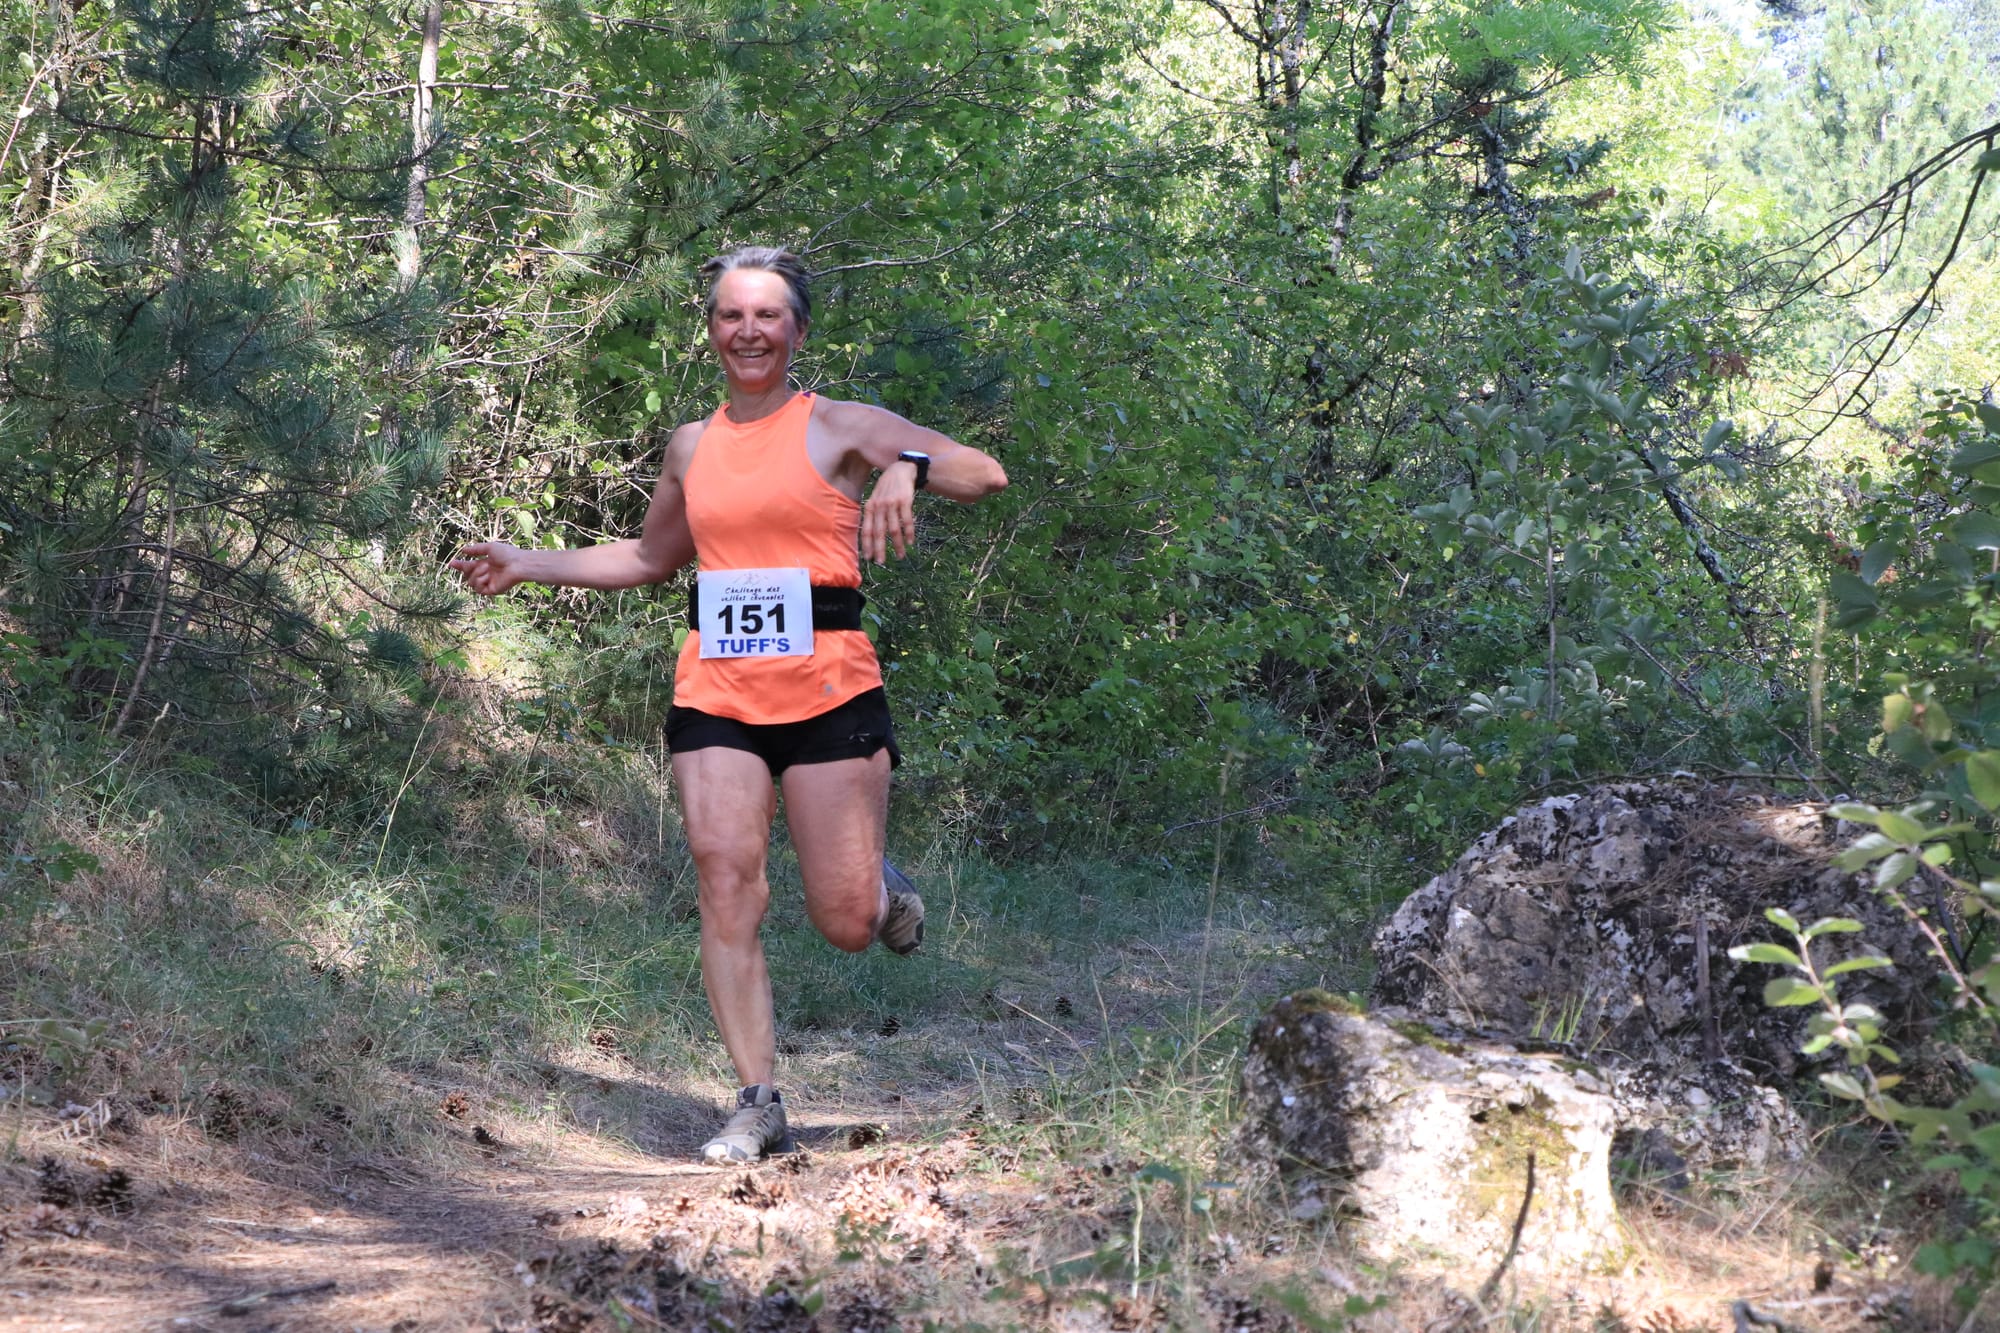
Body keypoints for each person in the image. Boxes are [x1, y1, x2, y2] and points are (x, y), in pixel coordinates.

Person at [450, 246, 1008, 1162]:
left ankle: (877, 888)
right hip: (718, 687)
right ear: (712, 330)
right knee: (725, 878)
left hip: (830, 688)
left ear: (796, 330)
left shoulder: (840, 426)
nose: (748, 330)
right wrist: (527, 562)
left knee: (843, 922)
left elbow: (982, 472)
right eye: (730, 315)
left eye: (767, 315)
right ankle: (756, 1100)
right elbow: (646, 559)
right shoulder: (692, 445)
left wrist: (908, 462)